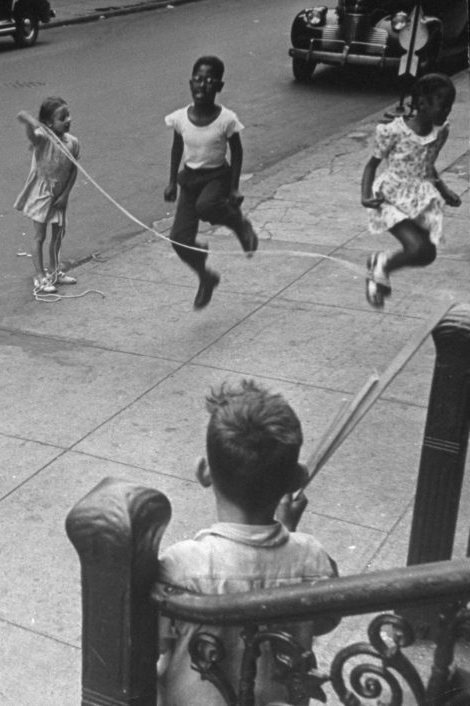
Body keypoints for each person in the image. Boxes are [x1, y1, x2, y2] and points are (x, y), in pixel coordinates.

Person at [157, 379, 339, 705]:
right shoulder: (314, 560)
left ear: (203, 471)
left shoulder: (180, 566)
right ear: (297, 480)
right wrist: (289, 531)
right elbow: (326, 622)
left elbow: (151, 643)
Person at [164, 55, 258, 309]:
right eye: (197, 80)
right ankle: (205, 277)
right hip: (191, 179)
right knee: (179, 239)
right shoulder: (180, 118)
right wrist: (172, 182)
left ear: (219, 87)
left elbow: (236, 152)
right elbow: (176, 149)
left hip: (217, 176)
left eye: (209, 81)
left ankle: (239, 224)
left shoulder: (226, 119)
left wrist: (235, 187)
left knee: (206, 207)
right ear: (190, 83)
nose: (202, 86)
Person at [361, 73, 461, 308]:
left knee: (426, 254)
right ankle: (380, 267)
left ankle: (382, 261)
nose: (447, 111)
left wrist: (444, 189)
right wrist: (365, 195)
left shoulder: (440, 131)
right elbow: (371, 165)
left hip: (418, 198)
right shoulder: (393, 131)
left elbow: (427, 165)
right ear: (422, 103)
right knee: (416, 247)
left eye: (450, 106)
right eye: (442, 104)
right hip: (390, 198)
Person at [14, 96, 80, 295]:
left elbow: (73, 170)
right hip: (42, 194)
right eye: (62, 117)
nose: (68, 120)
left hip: (60, 194)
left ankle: (54, 270)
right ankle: (40, 276)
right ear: (50, 123)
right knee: (40, 235)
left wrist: (66, 195)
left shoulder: (73, 143)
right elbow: (33, 137)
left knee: (58, 233)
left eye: (68, 115)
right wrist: (28, 122)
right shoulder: (43, 139)